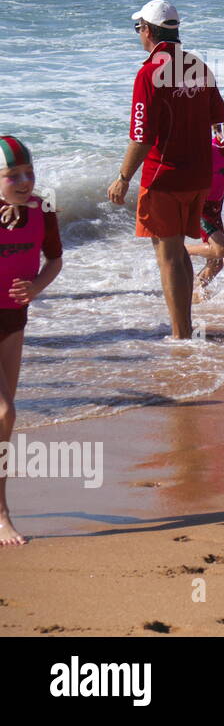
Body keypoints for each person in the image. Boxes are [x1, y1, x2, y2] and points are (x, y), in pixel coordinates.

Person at [107, 0, 224, 338]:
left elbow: (142, 137)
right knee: (178, 252)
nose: (138, 34)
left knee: (168, 255)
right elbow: (217, 117)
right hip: (200, 174)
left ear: (147, 31)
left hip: (164, 175)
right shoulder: (198, 66)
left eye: (138, 28)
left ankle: (180, 334)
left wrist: (123, 178)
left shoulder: (148, 73)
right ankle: (185, 327)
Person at [0, 137, 64, 546]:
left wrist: (37, 287)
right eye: (12, 176)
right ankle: (1, 515)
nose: (25, 182)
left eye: (29, 173)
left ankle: (0, 508)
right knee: (5, 413)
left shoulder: (44, 209)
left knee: (3, 424)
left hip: (13, 320)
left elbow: (54, 259)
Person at [187, 102, 224, 296]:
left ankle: (194, 292)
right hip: (198, 207)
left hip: (215, 208)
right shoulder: (206, 150)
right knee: (222, 248)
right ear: (216, 128)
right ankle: (181, 250)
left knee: (217, 263)